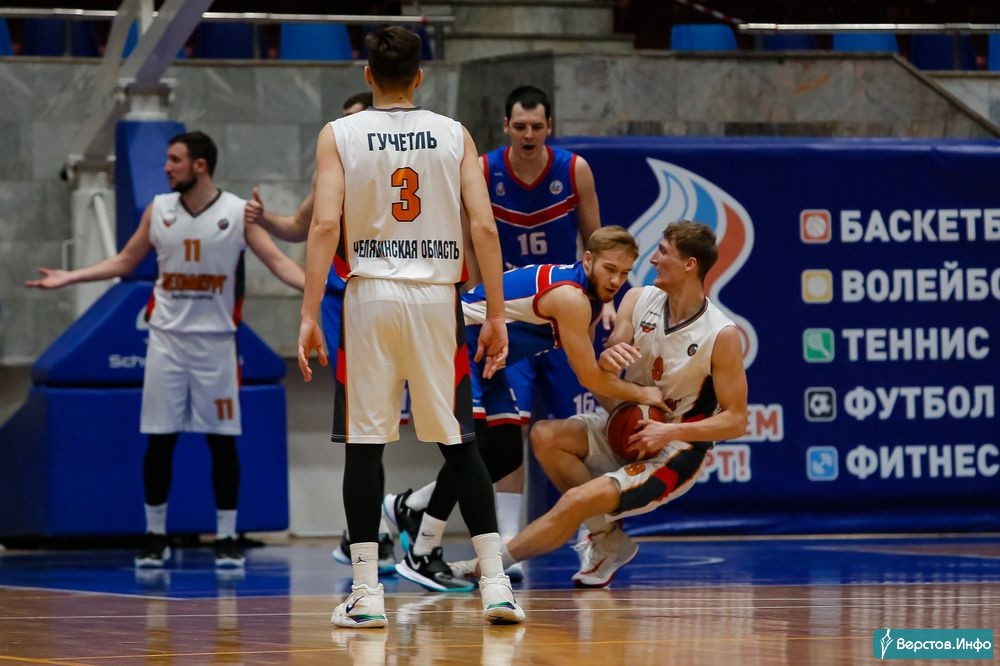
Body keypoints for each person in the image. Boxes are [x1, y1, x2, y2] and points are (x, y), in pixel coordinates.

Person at [298, 26, 523, 628]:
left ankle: (367, 593)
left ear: (367, 75)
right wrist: (495, 313)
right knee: (459, 443)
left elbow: (324, 226)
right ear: (420, 77)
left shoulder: (339, 133)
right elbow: (484, 228)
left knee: (364, 445)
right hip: (436, 299)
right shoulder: (454, 133)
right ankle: (496, 586)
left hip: (368, 296)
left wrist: (309, 314)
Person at [26, 131, 305, 569]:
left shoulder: (237, 213)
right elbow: (125, 260)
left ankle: (227, 537)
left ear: (199, 165)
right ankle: (155, 536)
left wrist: (326, 289)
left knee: (222, 441)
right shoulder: (159, 210)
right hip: (167, 343)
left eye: (175, 160)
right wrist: (71, 276)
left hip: (216, 343)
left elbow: (280, 262)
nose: (166, 167)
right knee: (160, 439)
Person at [448, 221, 750, 587]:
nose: (653, 259)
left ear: (689, 265)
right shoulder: (637, 299)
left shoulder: (721, 334)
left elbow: (736, 420)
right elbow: (610, 357)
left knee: (577, 500)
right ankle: (608, 539)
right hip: (626, 422)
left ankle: (487, 568)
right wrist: (608, 358)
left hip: (674, 449)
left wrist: (668, 431)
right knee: (545, 436)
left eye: (663, 252)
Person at [386, 226, 666, 593]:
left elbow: (589, 373)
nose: (616, 280)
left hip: (487, 360)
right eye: (609, 269)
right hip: (451, 341)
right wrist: (644, 396)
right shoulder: (570, 297)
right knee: (470, 448)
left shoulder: (590, 300)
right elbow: (589, 376)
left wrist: (624, 410)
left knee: (505, 453)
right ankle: (422, 552)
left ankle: (411, 505)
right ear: (587, 260)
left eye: (624, 273)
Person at [244, 91, 400, 576]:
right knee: (364, 422)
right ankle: (366, 533)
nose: (350, 128)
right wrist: (264, 220)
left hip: (396, 293)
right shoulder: (332, 166)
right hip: (343, 300)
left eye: (359, 119)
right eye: (344, 119)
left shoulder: (400, 164)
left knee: (388, 420)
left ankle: (382, 526)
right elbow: (301, 224)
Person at [475, 85, 611, 572]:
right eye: (520, 126)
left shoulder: (574, 170)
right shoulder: (485, 170)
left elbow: (597, 243)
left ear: (549, 127)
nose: (529, 134)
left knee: (570, 429)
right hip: (511, 316)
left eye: (537, 126)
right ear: (506, 128)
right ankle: (509, 542)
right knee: (509, 427)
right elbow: (474, 239)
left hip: (564, 314)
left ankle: (595, 532)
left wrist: (606, 303)